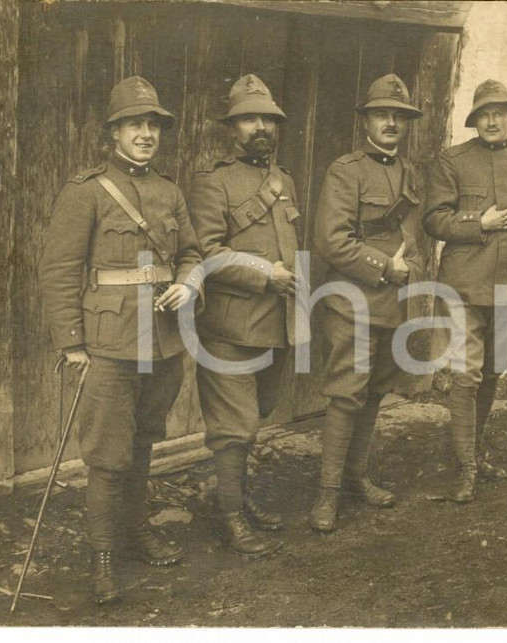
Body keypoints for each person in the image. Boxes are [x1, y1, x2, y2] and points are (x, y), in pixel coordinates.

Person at [39, 76, 202, 604]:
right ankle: (102, 555)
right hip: (108, 344)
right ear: (113, 133)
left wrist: (186, 281)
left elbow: (193, 252)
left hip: (163, 342)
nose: (146, 133)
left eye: (153, 124)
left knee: (143, 442)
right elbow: (58, 269)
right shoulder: (85, 190)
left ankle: (135, 532)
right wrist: (72, 344)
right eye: (135, 124)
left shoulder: (170, 191)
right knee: (108, 455)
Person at [308, 74, 426, 533]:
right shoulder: (347, 171)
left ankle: (357, 478)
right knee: (346, 394)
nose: (392, 122)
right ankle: (327, 494)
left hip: (393, 303)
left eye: (399, 116)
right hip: (352, 302)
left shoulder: (408, 173)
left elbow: (413, 240)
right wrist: (385, 266)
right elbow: (331, 241)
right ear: (367, 123)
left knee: (375, 391)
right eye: (383, 114)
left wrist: (410, 271)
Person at [188, 74, 300, 556]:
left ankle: (232, 497)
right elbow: (206, 253)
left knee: (256, 415)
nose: (261, 127)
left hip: (276, 324)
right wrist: (263, 273)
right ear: (232, 128)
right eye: (250, 119)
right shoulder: (212, 182)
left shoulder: (284, 181)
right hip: (229, 326)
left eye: (268, 119)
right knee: (234, 426)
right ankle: (230, 516)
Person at [423, 79, 507, 502]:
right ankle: (466, 468)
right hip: (465, 283)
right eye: (484, 115)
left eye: (500, 113)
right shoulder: (453, 160)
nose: (492, 121)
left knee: (493, 369)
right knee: (466, 373)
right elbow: (434, 220)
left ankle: (472, 450)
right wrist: (480, 224)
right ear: (475, 121)